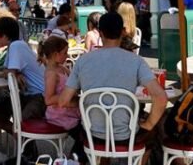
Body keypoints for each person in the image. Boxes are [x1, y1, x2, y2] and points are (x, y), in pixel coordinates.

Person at [58, 13, 167, 160]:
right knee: (153, 134)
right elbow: (160, 98)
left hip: (92, 134)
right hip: (126, 136)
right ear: (122, 31)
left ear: (100, 33)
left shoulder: (83, 61)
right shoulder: (136, 61)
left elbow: (63, 101)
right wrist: (148, 124)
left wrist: (84, 102)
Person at [0, 16, 47, 134]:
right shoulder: (15, 45)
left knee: (23, 123)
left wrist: (13, 73)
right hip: (27, 94)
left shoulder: (17, 46)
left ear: (4, 36)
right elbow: (7, 71)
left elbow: (9, 73)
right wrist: (16, 73)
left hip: (40, 96)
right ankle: (18, 136)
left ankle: (25, 146)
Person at [39, 36, 81, 137]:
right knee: (83, 133)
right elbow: (48, 100)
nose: (67, 55)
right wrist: (67, 95)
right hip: (60, 116)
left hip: (69, 111)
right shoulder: (51, 73)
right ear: (55, 54)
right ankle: (78, 152)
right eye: (65, 53)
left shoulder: (62, 68)